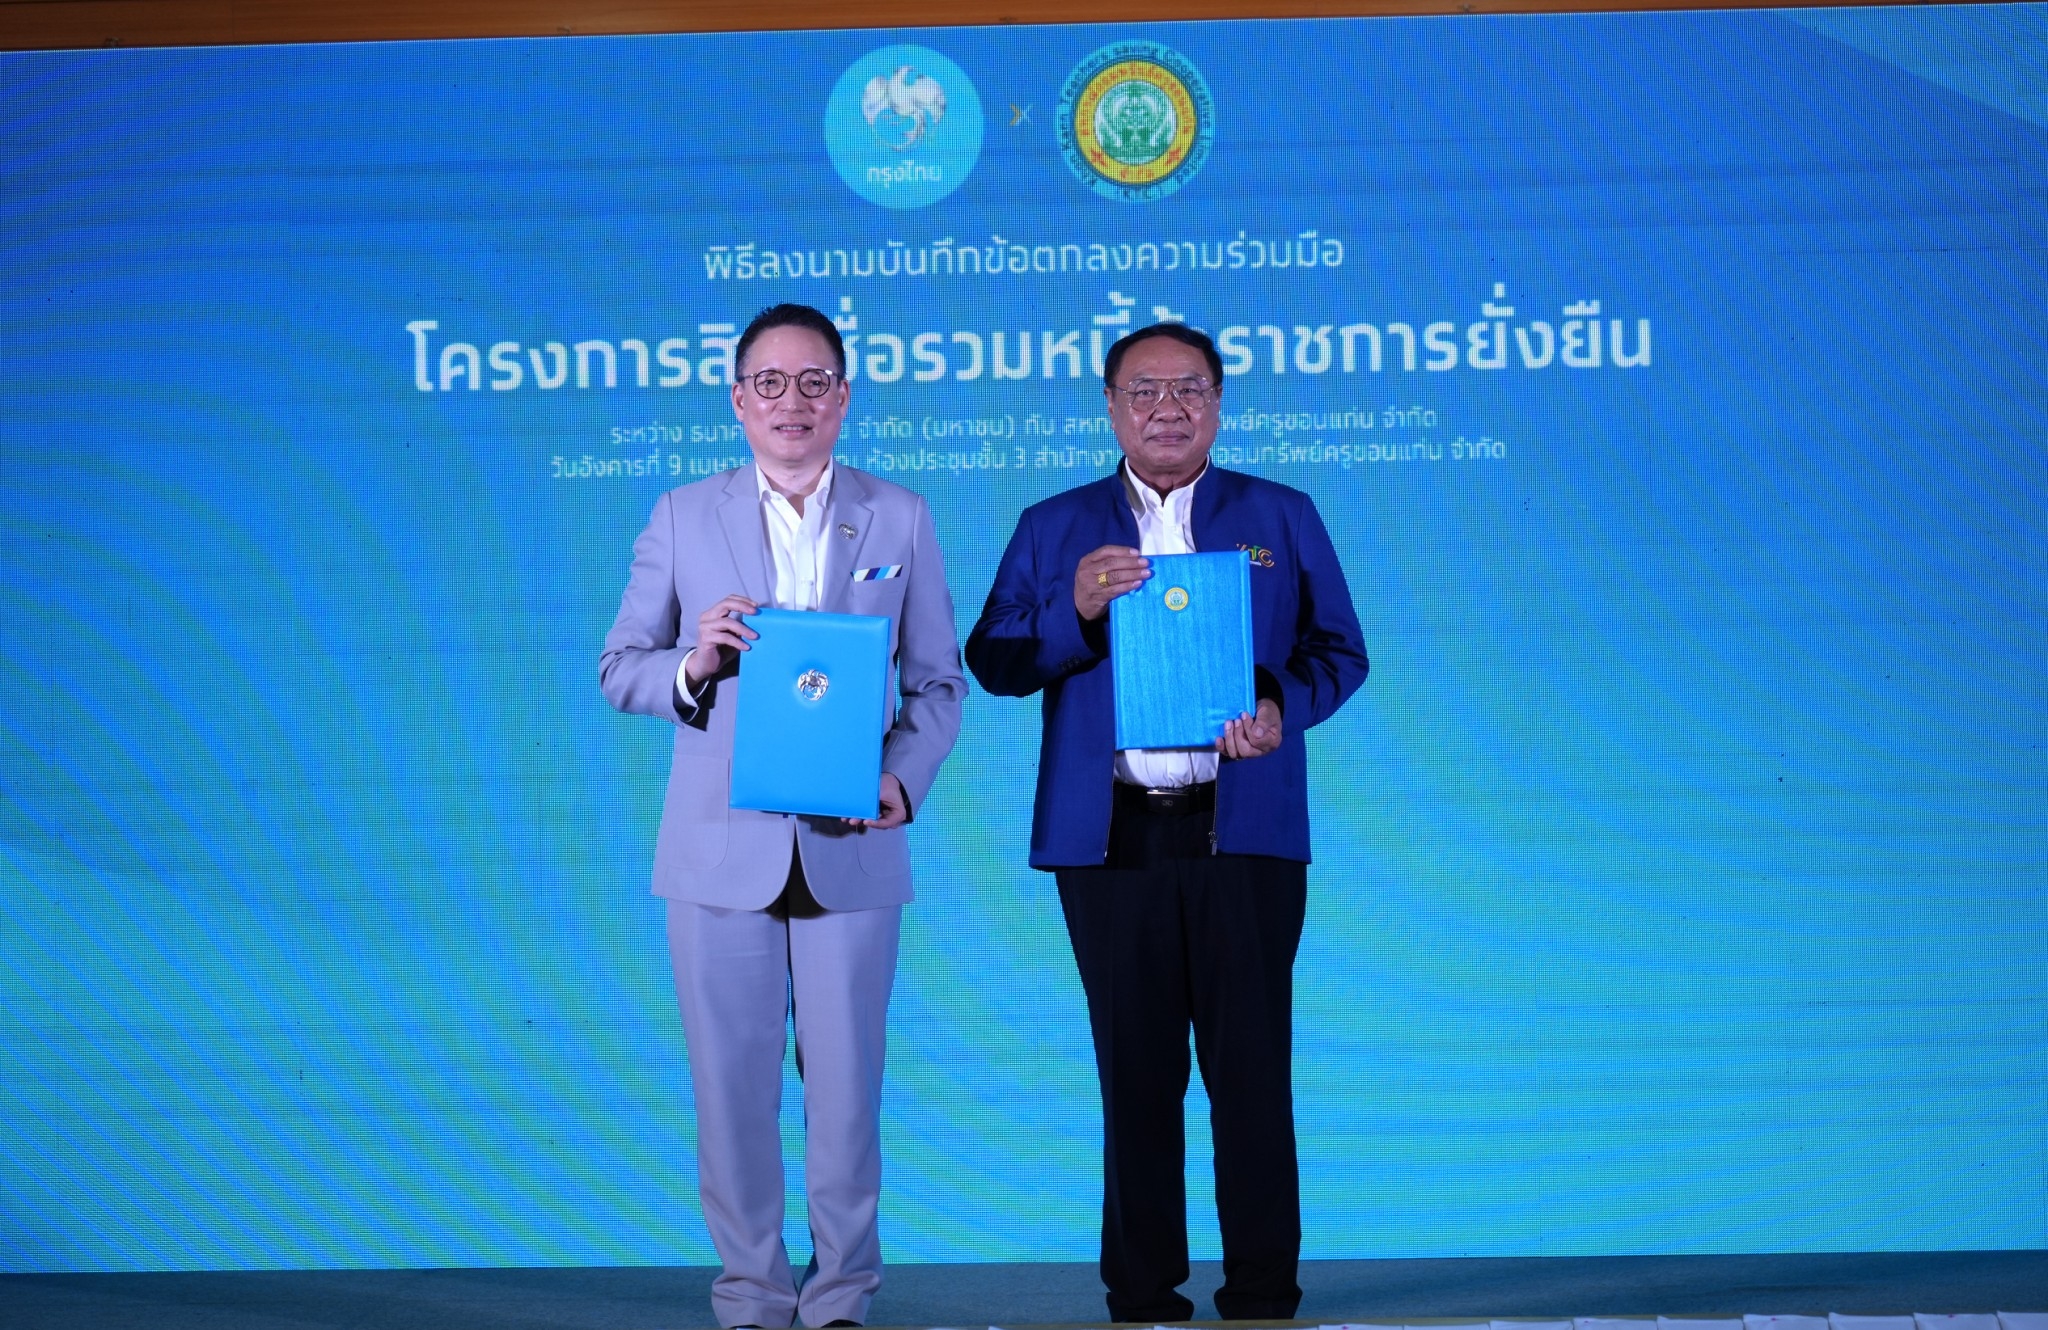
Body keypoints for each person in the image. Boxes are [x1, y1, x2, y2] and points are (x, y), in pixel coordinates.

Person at [965, 323, 1368, 1324]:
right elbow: (995, 660)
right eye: (1143, 391)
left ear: (1218, 403)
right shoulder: (1055, 524)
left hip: (1246, 834)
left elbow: (1338, 651)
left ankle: (1263, 1293)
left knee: (1251, 1073)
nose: (1167, 409)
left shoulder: (1279, 513)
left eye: (1188, 389)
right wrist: (1073, 610)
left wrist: (1277, 704)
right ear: (1110, 407)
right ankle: (1143, 1294)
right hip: (1111, 840)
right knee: (1134, 1075)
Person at [600, 302, 964, 1330]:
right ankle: (752, 1296)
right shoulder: (683, 514)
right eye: (769, 382)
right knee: (730, 1090)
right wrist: (695, 663)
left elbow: (939, 682)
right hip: (718, 851)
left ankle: (841, 1295)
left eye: (813, 383)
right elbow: (619, 666)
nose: (791, 402)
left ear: (842, 397)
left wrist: (902, 779)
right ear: (737, 399)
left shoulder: (899, 516)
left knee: (846, 1094)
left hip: (852, 847)